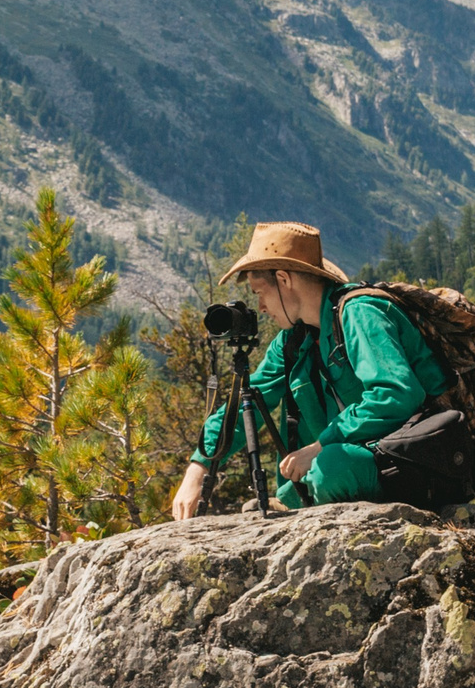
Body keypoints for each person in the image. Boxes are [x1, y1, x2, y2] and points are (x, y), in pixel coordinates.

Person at [171, 222, 450, 519]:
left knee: (330, 467)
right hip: (365, 463)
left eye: (260, 292)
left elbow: (396, 393)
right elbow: (246, 403)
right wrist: (199, 466)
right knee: (298, 485)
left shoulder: (360, 312)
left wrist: (319, 446)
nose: (261, 307)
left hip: (416, 460)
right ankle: (300, 499)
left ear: (283, 279)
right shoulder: (292, 342)